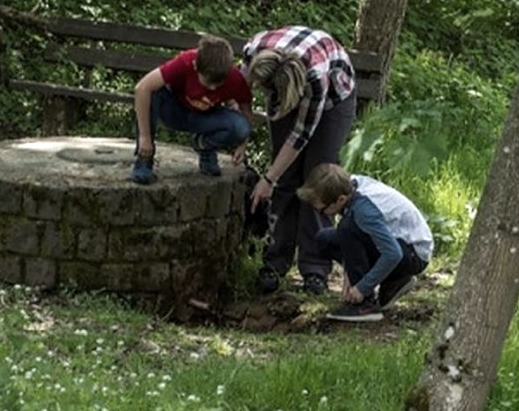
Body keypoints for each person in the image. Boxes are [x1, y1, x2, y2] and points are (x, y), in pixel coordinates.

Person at [243, 26, 357, 295]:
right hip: (289, 78)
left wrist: (267, 178)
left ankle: (315, 268)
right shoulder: (253, 52)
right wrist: (242, 138)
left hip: (333, 99)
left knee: (318, 178)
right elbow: (241, 96)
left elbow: (300, 135)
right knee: (285, 178)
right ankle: (275, 261)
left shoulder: (315, 79)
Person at [298, 164, 432, 323]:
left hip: (413, 253)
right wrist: (350, 269)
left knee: (347, 228)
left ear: (340, 199)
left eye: (321, 210)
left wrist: (362, 288)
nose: (320, 213)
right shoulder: (351, 186)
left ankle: (365, 305)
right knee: (325, 239)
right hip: (398, 243)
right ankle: (394, 279)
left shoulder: (363, 210)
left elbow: (393, 253)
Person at [131, 34, 254, 184]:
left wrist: (243, 145)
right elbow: (142, 88)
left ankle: (205, 147)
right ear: (196, 66)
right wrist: (145, 137)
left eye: (218, 84)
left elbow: (247, 111)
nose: (213, 88)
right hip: (175, 111)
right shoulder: (186, 62)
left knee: (241, 127)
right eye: (208, 83)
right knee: (154, 91)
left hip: (204, 119)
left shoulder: (235, 78)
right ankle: (144, 159)